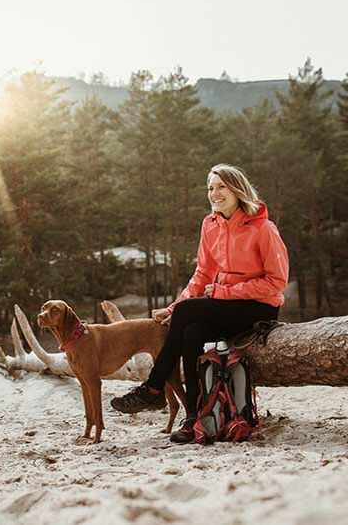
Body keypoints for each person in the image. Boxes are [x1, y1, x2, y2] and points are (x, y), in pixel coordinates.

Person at [110, 163, 289, 443]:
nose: (214, 193)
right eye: (210, 187)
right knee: (190, 332)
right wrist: (172, 309)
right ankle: (194, 417)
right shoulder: (210, 225)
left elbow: (276, 282)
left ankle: (153, 389)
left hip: (260, 307)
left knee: (187, 313)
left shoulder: (263, 228)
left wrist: (222, 293)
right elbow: (202, 274)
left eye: (221, 187)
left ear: (237, 189)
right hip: (224, 303)